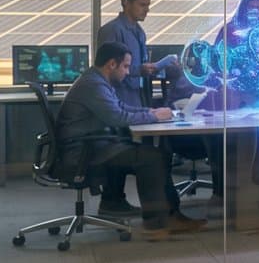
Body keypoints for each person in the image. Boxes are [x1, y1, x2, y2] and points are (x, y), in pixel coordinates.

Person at [56, 43, 206, 241]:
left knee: (157, 153)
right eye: (125, 66)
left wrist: (150, 112)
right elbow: (118, 118)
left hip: (91, 145)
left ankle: (170, 216)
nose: (128, 72)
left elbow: (120, 107)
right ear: (112, 64)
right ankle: (155, 225)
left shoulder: (97, 80)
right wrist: (154, 117)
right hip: (84, 151)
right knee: (152, 158)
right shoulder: (93, 85)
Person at [96, 0, 180, 215]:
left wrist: (156, 69)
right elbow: (109, 66)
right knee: (121, 145)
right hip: (120, 97)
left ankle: (116, 200)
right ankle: (112, 200)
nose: (147, 10)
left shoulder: (139, 32)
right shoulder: (112, 30)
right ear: (126, 2)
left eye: (148, 5)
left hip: (139, 96)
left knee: (134, 144)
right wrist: (138, 70)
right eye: (142, 5)